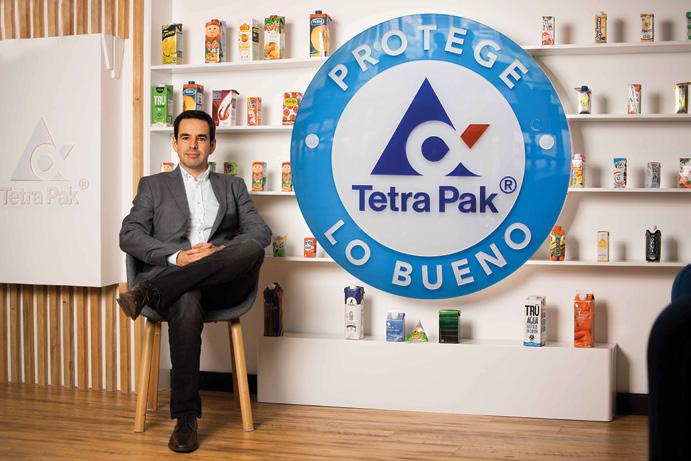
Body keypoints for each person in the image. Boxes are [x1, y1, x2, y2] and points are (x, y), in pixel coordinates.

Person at [118, 110, 271, 453]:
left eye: (201, 138)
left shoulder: (233, 186)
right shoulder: (153, 186)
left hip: (220, 287)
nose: (193, 145)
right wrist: (178, 258)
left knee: (251, 248)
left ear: (212, 145)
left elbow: (259, 233)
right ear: (174, 143)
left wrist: (217, 252)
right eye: (185, 137)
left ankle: (150, 292)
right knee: (186, 300)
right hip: (178, 284)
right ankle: (186, 419)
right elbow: (129, 234)